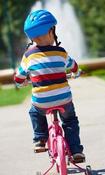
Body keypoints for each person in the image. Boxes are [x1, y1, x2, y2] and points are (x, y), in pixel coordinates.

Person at [14, 9, 85, 163]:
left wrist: (20, 83)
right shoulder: (61, 53)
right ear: (51, 31)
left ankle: (39, 139)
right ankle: (76, 150)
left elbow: (19, 76)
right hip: (64, 100)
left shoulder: (28, 56)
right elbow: (74, 67)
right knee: (70, 120)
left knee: (35, 112)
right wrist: (77, 72)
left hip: (42, 102)